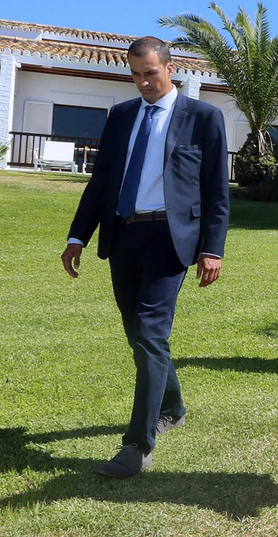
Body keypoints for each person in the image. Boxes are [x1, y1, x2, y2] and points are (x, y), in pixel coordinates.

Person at [63, 36, 230, 478]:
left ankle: (137, 445)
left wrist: (212, 248)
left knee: (151, 332)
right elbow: (101, 182)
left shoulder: (203, 118)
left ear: (171, 68)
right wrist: (78, 235)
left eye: (150, 73)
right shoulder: (120, 116)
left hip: (171, 238)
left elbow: (216, 191)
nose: (143, 83)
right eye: (135, 75)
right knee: (138, 332)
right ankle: (172, 403)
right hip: (124, 235)